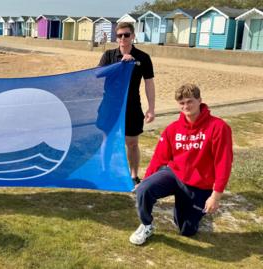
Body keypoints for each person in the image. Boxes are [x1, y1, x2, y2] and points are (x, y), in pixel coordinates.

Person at [129, 84, 233, 245]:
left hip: (199, 184)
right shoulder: (173, 129)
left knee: (187, 230)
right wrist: (146, 180)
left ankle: (193, 207)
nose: (186, 106)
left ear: (200, 100)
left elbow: (223, 163)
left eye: (190, 101)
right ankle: (146, 225)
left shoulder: (218, 128)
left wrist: (215, 196)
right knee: (144, 189)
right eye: (182, 103)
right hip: (174, 174)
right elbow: (159, 158)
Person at [97, 22, 155, 184]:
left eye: (126, 35)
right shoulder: (109, 55)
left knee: (132, 142)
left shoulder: (143, 57)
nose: (123, 38)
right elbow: (98, 73)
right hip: (110, 104)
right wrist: (120, 64)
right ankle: (105, 172)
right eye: (119, 35)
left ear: (133, 36)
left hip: (132, 106)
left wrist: (151, 108)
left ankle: (134, 175)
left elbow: (149, 83)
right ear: (116, 37)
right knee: (107, 139)